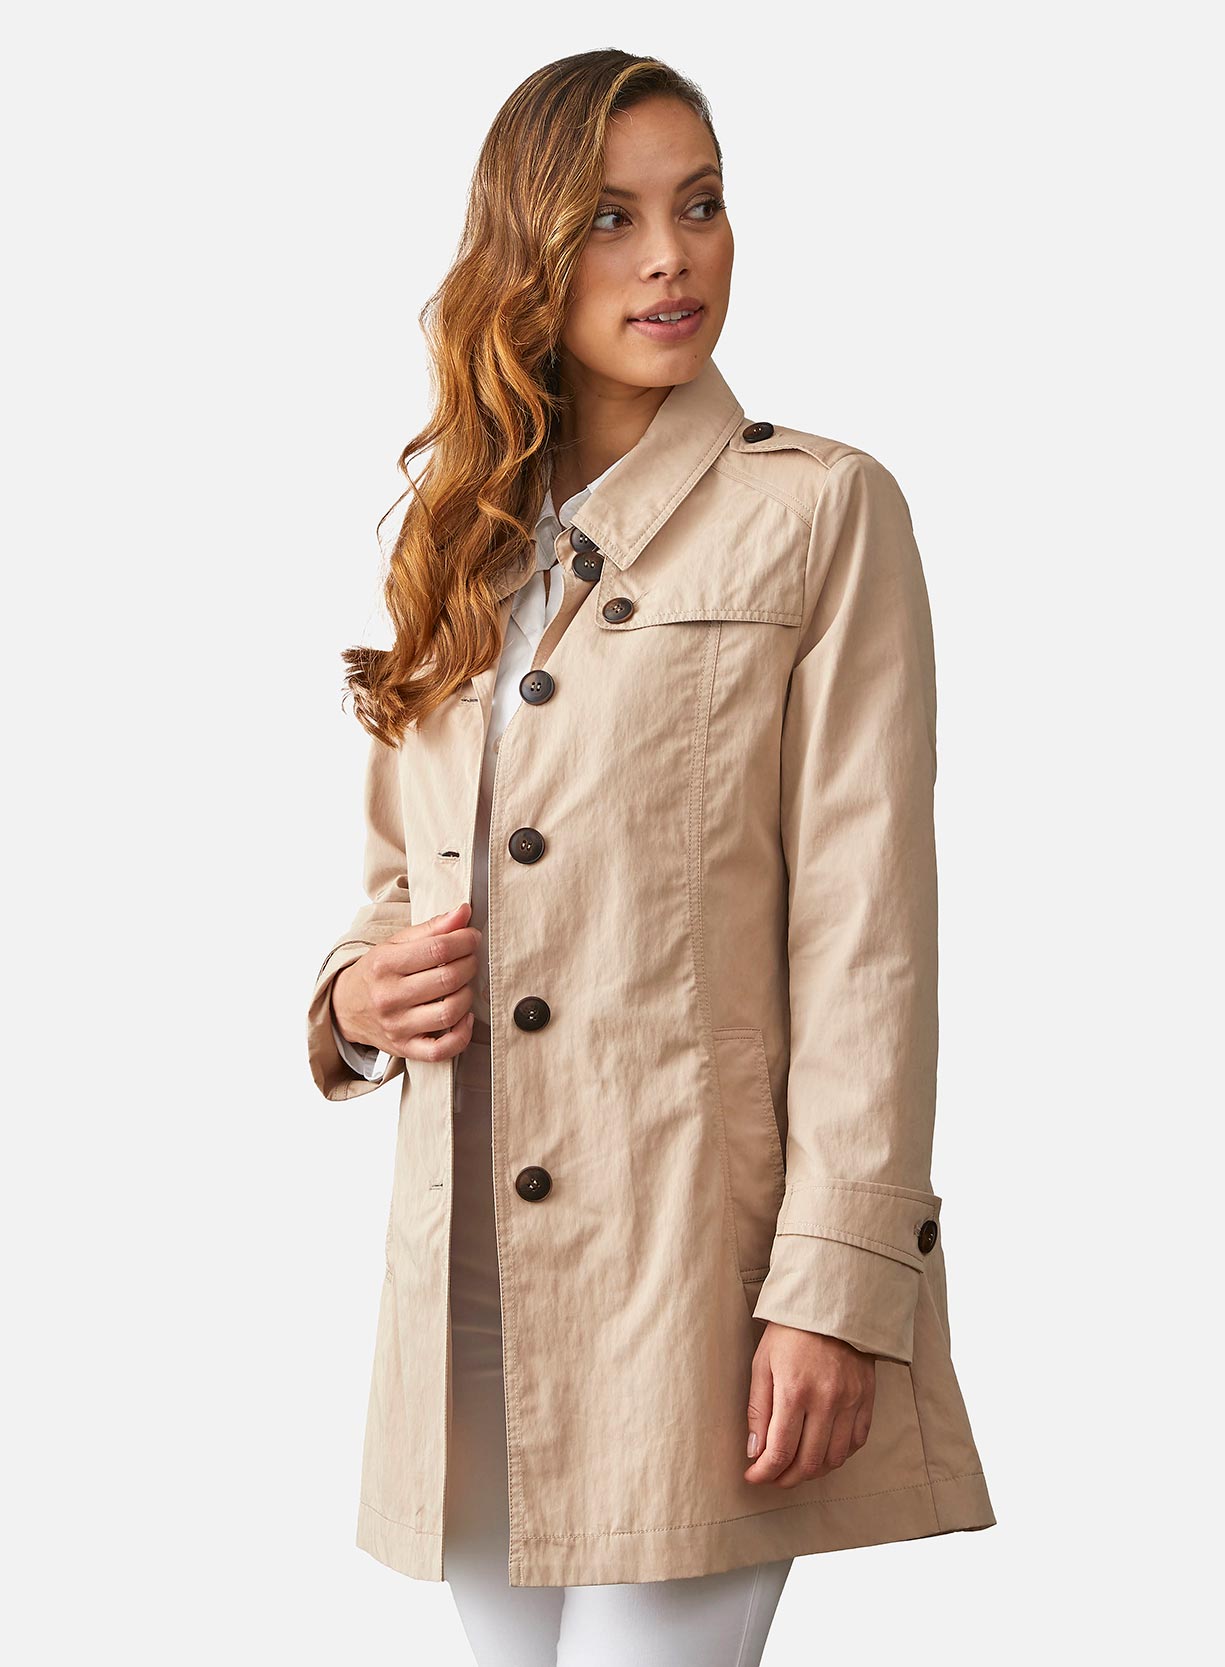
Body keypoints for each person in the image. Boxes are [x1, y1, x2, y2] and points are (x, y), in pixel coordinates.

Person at [305, 50, 995, 1666]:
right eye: (612, 218)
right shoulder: (456, 537)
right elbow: (397, 880)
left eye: (701, 205)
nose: (672, 256)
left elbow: (869, 935)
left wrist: (835, 1286)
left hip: (697, 1283)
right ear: (528, 252)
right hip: (469, 1279)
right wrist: (353, 1003)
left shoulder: (819, 514)